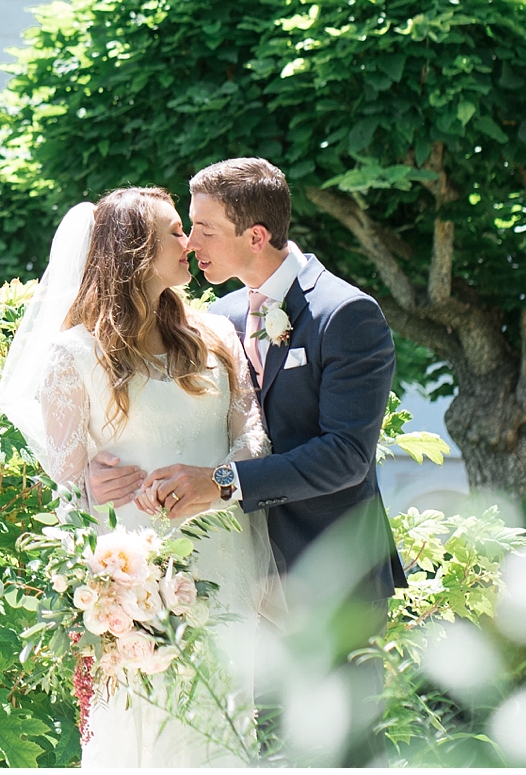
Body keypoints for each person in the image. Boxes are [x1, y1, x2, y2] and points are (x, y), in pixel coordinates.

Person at [130, 156, 408, 764]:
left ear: (254, 236)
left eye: (202, 228)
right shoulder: (221, 319)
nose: (188, 242)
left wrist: (222, 483)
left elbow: (345, 457)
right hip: (236, 574)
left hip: (331, 567)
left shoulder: (346, 314)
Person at [0, 186, 272, 768]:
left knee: (227, 728)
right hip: (137, 581)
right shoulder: (75, 355)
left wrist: (218, 477)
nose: (190, 241)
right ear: (133, 250)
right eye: (175, 231)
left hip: (228, 557)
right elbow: (68, 497)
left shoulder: (214, 336)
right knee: (150, 733)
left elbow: (254, 438)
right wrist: (88, 490)